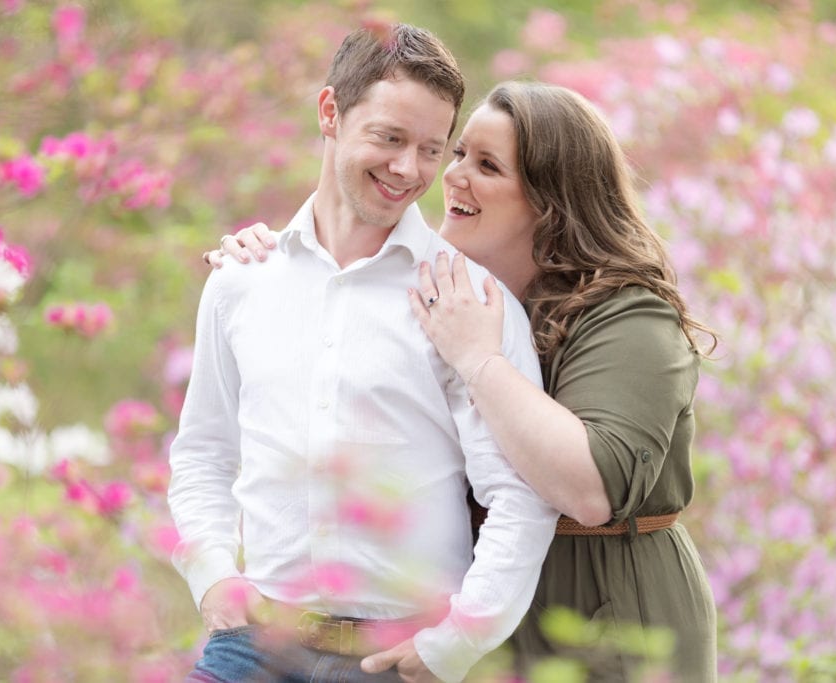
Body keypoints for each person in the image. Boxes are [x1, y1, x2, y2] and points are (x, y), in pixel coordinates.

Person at [207, 80, 719, 681]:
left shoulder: (630, 315)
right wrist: (278, 258)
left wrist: (479, 360)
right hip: (486, 606)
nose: (452, 177)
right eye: (457, 155)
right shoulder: (462, 298)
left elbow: (589, 490)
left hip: (607, 600)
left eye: (488, 166)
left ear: (551, 200)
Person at [169, 25, 559, 683]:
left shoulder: (469, 301)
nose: (409, 169)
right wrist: (210, 574)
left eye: (431, 149)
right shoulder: (242, 279)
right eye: (389, 138)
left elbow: (518, 495)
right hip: (252, 644)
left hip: (395, 661)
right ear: (330, 112)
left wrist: (456, 643)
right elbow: (203, 451)